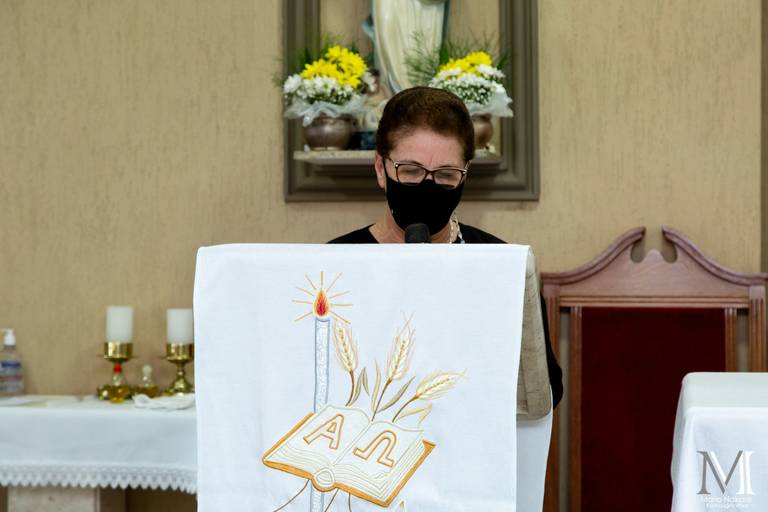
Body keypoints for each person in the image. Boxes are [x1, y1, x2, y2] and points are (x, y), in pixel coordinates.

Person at [329, 86, 563, 408]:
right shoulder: (333, 264)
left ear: (465, 175)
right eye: (411, 171)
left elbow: (543, 388)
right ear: (381, 168)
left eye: (446, 175)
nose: (427, 185)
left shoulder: (501, 268)